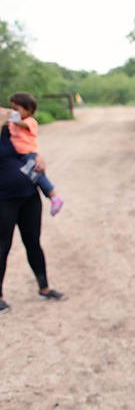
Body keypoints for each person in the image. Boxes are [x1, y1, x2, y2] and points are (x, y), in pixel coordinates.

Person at [0, 107, 64, 314]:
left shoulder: (12, 131)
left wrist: (38, 157)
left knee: (33, 243)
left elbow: (27, 147)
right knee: (2, 247)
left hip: (29, 196)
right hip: (4, 199)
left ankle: (44, 288)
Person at [7, 92, 63, 216]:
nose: (12, 112)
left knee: (37, 175)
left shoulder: (29, 121)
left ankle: (53, 196)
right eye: (11, 109)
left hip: (28, 154)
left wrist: (10, 117)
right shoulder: (12, 124)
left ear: (28, 110)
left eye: (15, 109)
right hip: (20, 155)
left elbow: (20, 123)